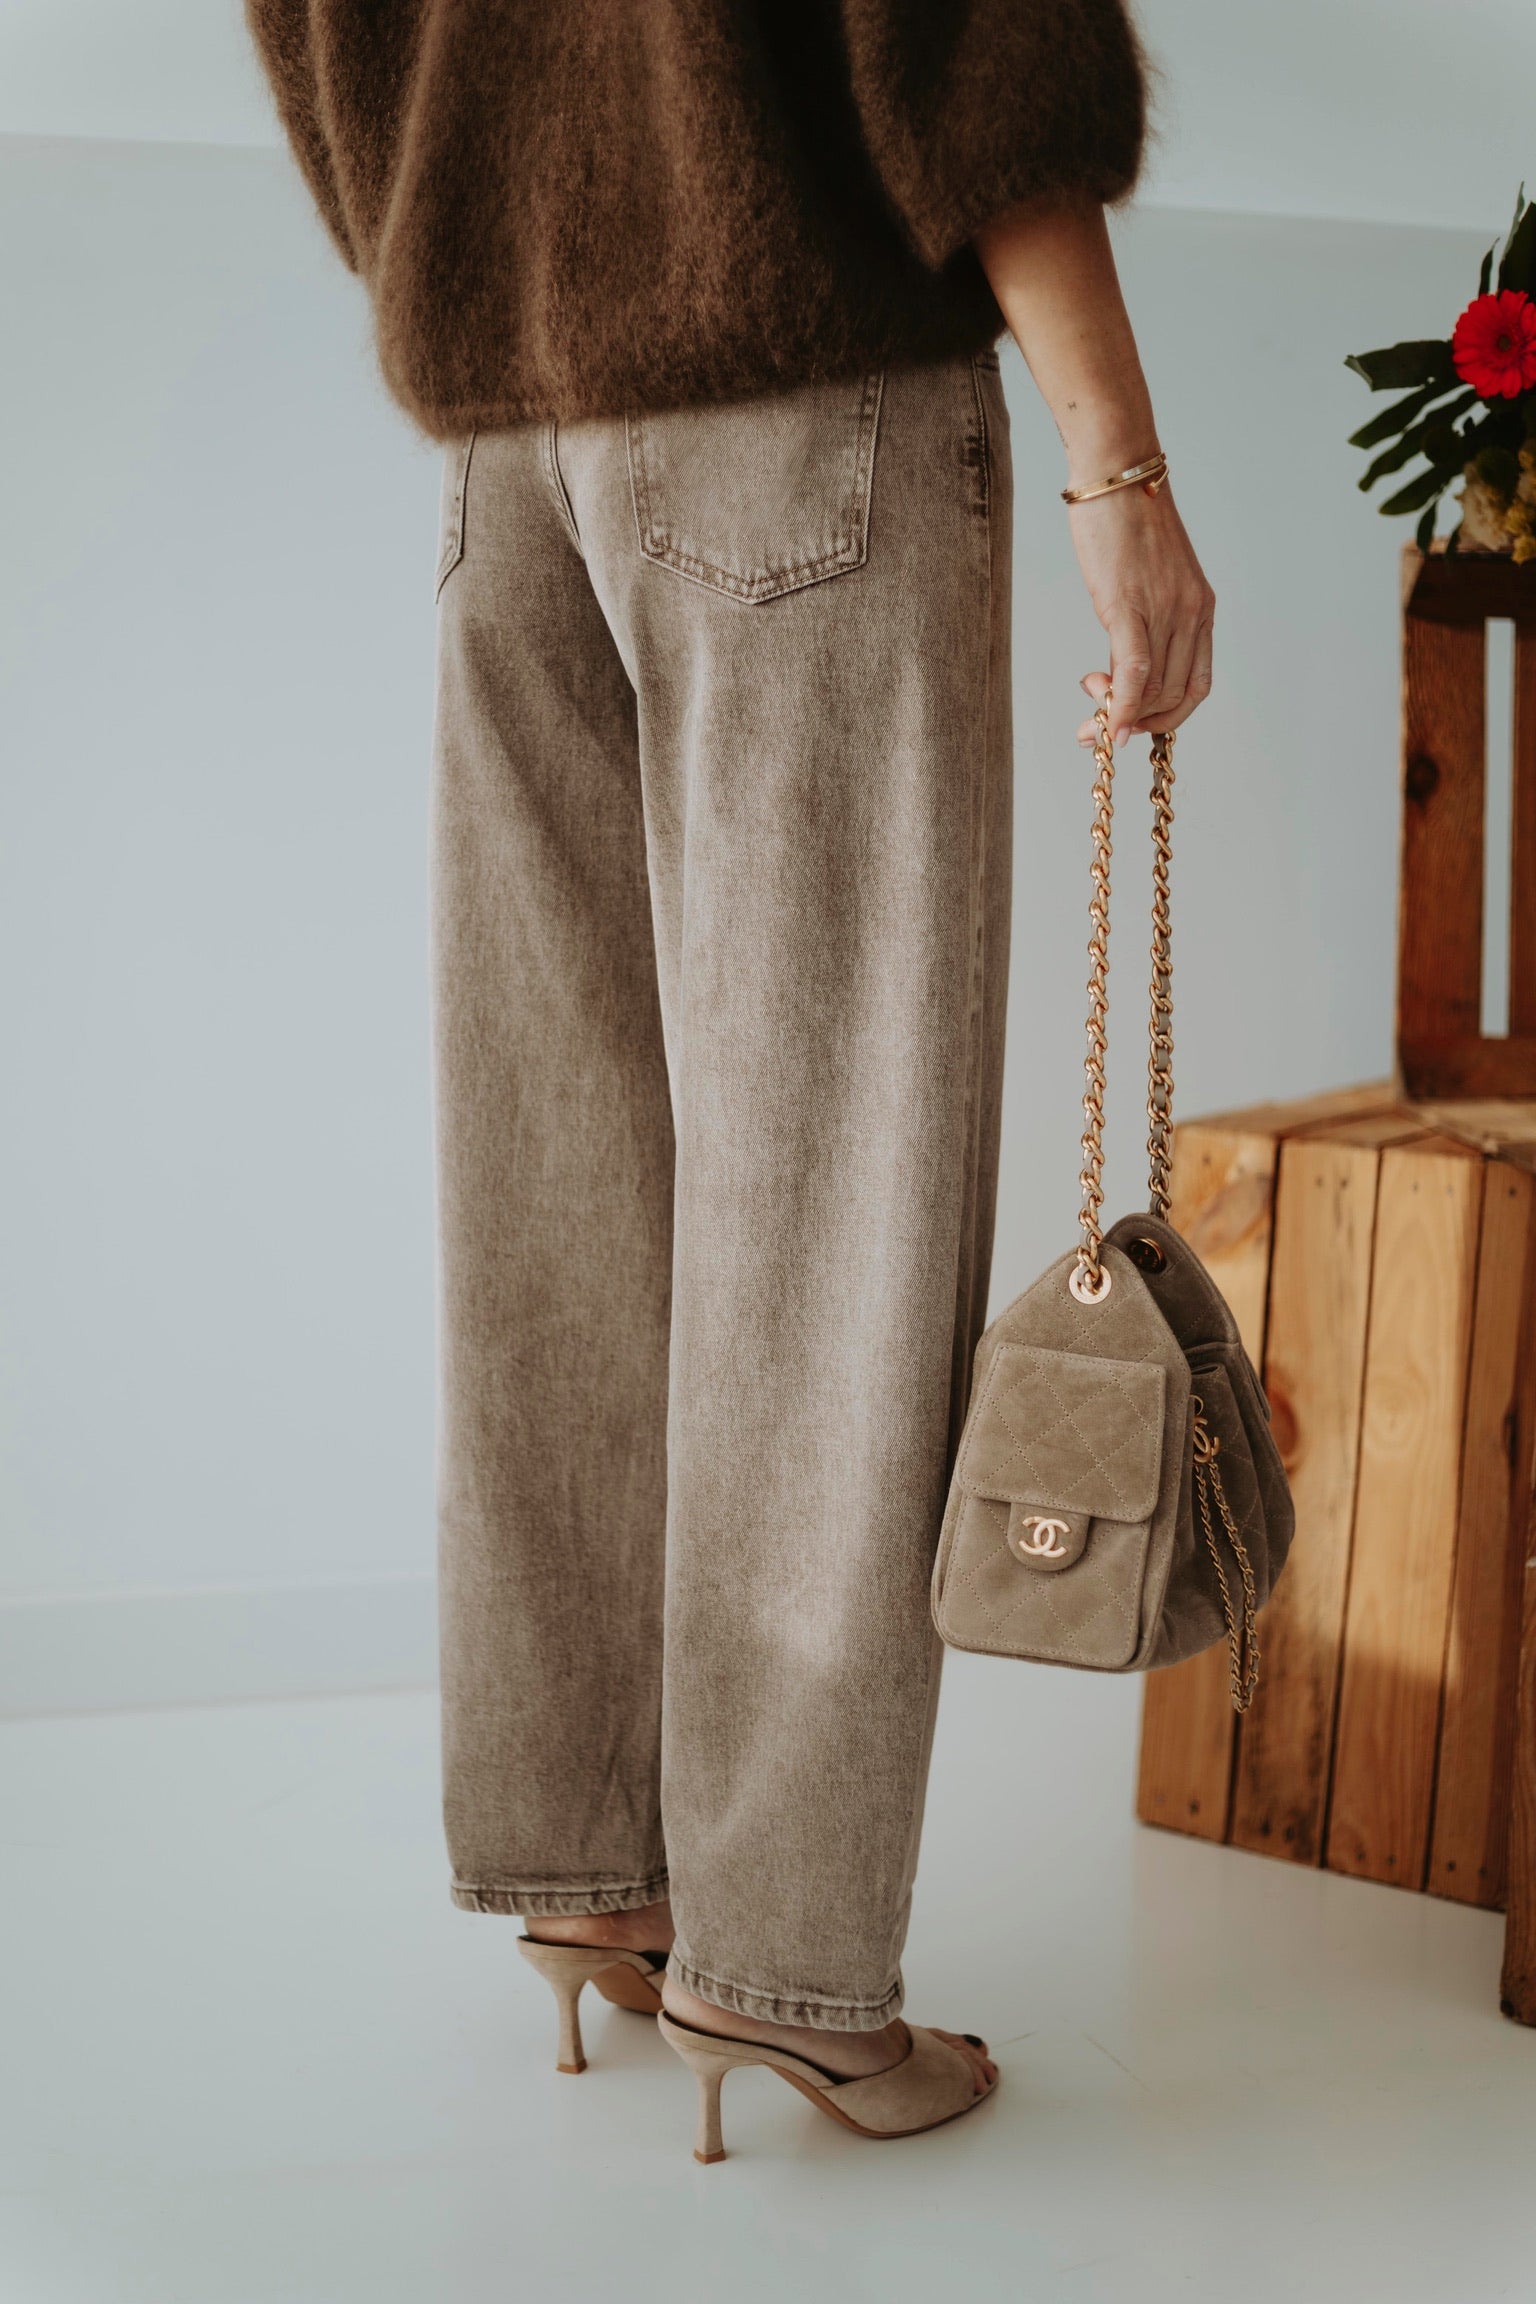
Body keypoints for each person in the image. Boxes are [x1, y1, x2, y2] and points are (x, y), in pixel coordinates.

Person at [249, 0, 1215, 2159]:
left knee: (558, 1183)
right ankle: (785, 1974)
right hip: (804, 406)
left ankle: (591, 1862)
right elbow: (977, 56)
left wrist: (489, 239)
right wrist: (1119, 469)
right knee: (832, 1191)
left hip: (513, 459)